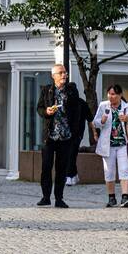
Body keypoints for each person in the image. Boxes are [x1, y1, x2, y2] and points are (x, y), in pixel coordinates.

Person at [36, 63, 82, 207]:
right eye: (61, 73)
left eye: (65, 73)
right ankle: (45, 197)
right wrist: (47, 112)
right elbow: (39, 108)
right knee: (46, 167)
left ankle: (59, 198)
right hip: (50, 136)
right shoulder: (46, 90)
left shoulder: (71, 91)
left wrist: (76, 133)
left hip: (66, 136)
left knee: (61, 168)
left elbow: (77, 110)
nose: (64, 75)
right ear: (53, 76)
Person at [93, 83, 128, 207]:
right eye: (109, 94)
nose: (110, 97)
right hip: (108, 144)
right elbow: (95, 122)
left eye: (113, 94)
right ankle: (111, 198)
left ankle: (125, 198)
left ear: (120, 95)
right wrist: (101, 121)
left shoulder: (127, 107)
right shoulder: (103, 106)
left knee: (124, 170)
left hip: (123, 144)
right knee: (109, 171)